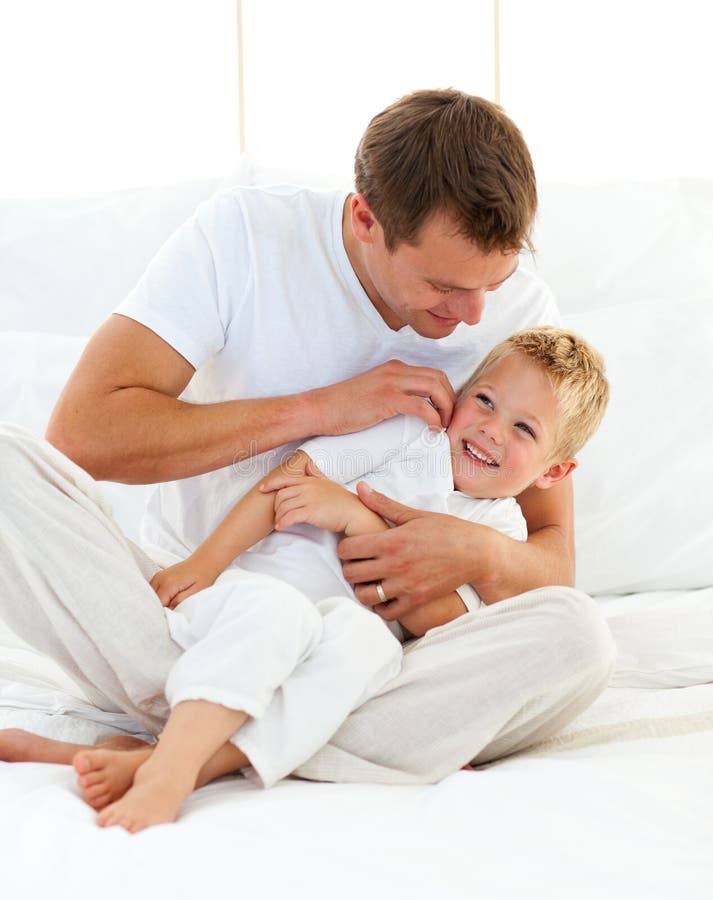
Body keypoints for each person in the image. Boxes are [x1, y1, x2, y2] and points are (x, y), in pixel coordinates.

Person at [0, 89, 615, 789]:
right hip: (187, 614)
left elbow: (549, 565)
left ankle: (193, 738)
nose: (475, 313)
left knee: (580, 639)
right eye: (443, 286)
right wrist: (319, 409)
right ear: (364, 218)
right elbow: (84, 436)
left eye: (493, 282)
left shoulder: (518, 315)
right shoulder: (243, 238)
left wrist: (471, 550)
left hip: (370, 651)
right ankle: (283, 728)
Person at [1, 326, 609, 832]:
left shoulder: (503, 532)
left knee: (373, 645)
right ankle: (186, 761)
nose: (492, 430)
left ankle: (170, 760)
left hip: (336, 669)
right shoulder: (408, 438)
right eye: (485, 402)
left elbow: (446, 627)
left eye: (523, 430)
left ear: (556, 472)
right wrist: (202, 566)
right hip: (238, 614)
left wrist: (355, 519)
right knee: (278, 613)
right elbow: (289, 484)